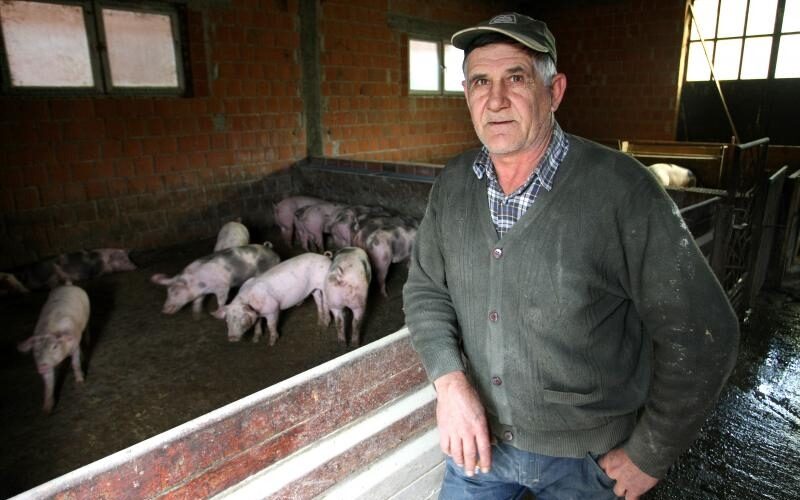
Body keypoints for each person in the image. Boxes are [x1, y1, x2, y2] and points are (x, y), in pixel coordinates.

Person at [402, 12, 739, 500]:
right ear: (466, 94)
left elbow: (704, 331)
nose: (495, 100)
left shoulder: (623, 191)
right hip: (478, 448)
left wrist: (651, 452)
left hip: (588, 463)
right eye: (480, 82)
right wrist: (450, 384)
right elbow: (426, 290)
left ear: (554, 91)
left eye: (516, 78)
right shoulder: (453, 185)